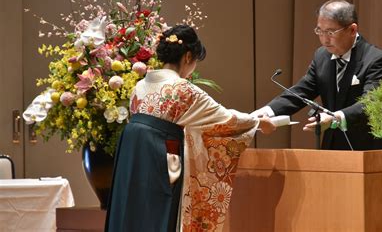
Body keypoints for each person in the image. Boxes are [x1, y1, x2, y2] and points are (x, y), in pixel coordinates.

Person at [105, 24, 276, 232]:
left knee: (131, 214)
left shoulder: (140, 86)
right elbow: (226, 119)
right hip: (160, 158)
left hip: (131, 157)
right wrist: (258, 122)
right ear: (187, 57)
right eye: (195, 61)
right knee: (158, 216)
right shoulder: (183, 90)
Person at [254, 0, 382, 150]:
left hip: (372, 146)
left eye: (331, 32)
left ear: (352, 30)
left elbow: (370, 102)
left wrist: (334, 118)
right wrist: (263, 113)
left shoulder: (376, 59)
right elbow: (301, 92)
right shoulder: (321, 56)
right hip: (336, 145)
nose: (324, 39)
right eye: (320, 31)